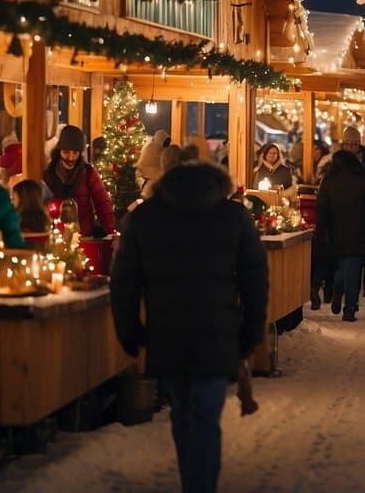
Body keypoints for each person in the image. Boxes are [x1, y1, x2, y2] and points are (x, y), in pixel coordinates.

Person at [111, 160, 268, 493]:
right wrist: (254, 330)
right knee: (205, 417)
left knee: (182, 413)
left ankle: (194, 483)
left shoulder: (144, 218)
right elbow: (256, 277)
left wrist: (129, 332)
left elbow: (124, 281)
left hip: (166, 334)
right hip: (218, 334)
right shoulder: (234, 216)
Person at [317, 149, 365, 321]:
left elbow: (321, 209)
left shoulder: (328, 181)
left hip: (336, 233)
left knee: (341, 269)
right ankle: (349, 309)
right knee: (353, 271)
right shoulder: (362, 180)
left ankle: (337, 289)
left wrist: (322, 232)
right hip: (358, 232)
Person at [43, 125, 117, 237]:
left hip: (83, 236)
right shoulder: (48, 174)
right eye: (66, 152)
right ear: (59, 151)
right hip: (55, 236)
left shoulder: (88, 173)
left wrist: (110, 231)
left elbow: (102, 203)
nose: (71, 157)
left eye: (75, 153)